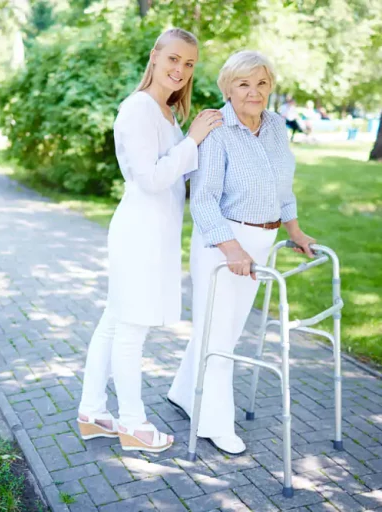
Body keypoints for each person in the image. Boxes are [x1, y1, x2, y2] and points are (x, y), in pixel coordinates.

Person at [76, 28, 223, 453]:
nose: (180, 69)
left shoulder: (167, 113)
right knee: (131, 329)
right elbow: (152, 178)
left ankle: (91, 411)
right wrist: (194, 139)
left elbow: (177, 175)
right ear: (155, 57)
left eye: (189, 63)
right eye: (173, 58)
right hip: (139, 233)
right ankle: (133, 424)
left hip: (154, 234)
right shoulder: (138, 108)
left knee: (114, 321)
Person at [168, 50, 315, 455]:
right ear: (228, 89)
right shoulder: (217, 129)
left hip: (260, 243)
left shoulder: (276, 126)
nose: (254, 92)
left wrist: (296, 231)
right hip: (223, 244)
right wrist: (231, 249)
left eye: (262, 83)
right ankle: (215, 423)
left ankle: (184, 392)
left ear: (270, 87)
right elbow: (203, 199)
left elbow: (281, 187)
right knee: (220, 336)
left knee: (225, 331)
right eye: (244, 84)